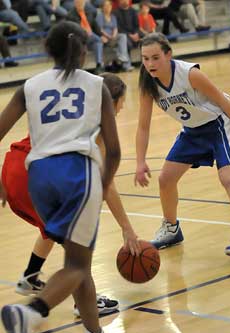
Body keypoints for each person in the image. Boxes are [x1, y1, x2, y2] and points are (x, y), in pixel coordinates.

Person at [0, 20, 121, 333]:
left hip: (38, 176)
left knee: (75, 261)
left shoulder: (29, 86)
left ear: (47, 50)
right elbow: (113, 150)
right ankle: (31, 313)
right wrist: (102, 184)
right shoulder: (98, 86)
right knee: (77, 266)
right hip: (76, 173)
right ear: (84, 52)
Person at [0, 72, 141, 317]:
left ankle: (30, 277)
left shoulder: (71, 106)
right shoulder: (97, 128)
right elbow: (108, 188)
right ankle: (83, 303)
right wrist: (127, 229)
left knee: (55, 225)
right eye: (122, 101)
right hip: (31, 176)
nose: (123, 107)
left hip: (13, 167)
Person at [134, 32, 230, 258]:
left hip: (219, 125)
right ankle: (171, 228)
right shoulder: (148, 83)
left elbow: (223, 101)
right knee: (166, 179)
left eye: (155, 58)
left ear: (168, 55)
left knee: (228, 178)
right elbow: (143, 127)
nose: (150, 64)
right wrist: (140, 161)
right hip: (192, 131)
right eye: (145, 59)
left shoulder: (189, 73)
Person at [67, 0, 104, 74]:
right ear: (75, 3)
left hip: (89, 37)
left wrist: (101, 35)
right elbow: (76, 29)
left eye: (82, 3)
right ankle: (98, 65)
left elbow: (94, 25)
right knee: (97, 40)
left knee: (97, 43)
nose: (80, 4)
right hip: (78, 38)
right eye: (78, 3)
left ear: (84, 3)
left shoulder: (88, 12)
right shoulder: (70, 15)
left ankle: (99, 65)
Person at [96, 0, 133, 72]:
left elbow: (115, 28)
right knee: (121, 44)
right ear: (102, 7)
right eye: (106, 6)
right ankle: (126, 64)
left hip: (112, 37)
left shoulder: (113, 16)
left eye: (109, 6)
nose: (108, 7)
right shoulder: (100, 16)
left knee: (122, 36)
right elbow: (100, 29)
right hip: (105, 38)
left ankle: (123, 59)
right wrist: (109, 36)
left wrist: (114, 35)